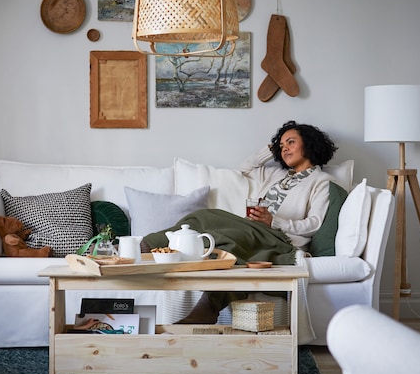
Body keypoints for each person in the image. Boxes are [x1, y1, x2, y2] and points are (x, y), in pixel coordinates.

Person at [142, 120, 338, 324]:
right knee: (222, 241)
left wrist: (274, 222)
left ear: (309, 144)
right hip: (254, 230)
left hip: (282, 239)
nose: (285, 149)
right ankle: (207, 307)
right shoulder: (276, 174)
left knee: (207, 217)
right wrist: (272, 150)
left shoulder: (321, 181)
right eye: (281, 146)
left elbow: (314, 224)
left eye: (291, 142)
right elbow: (246, 167)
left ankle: (149, 245)